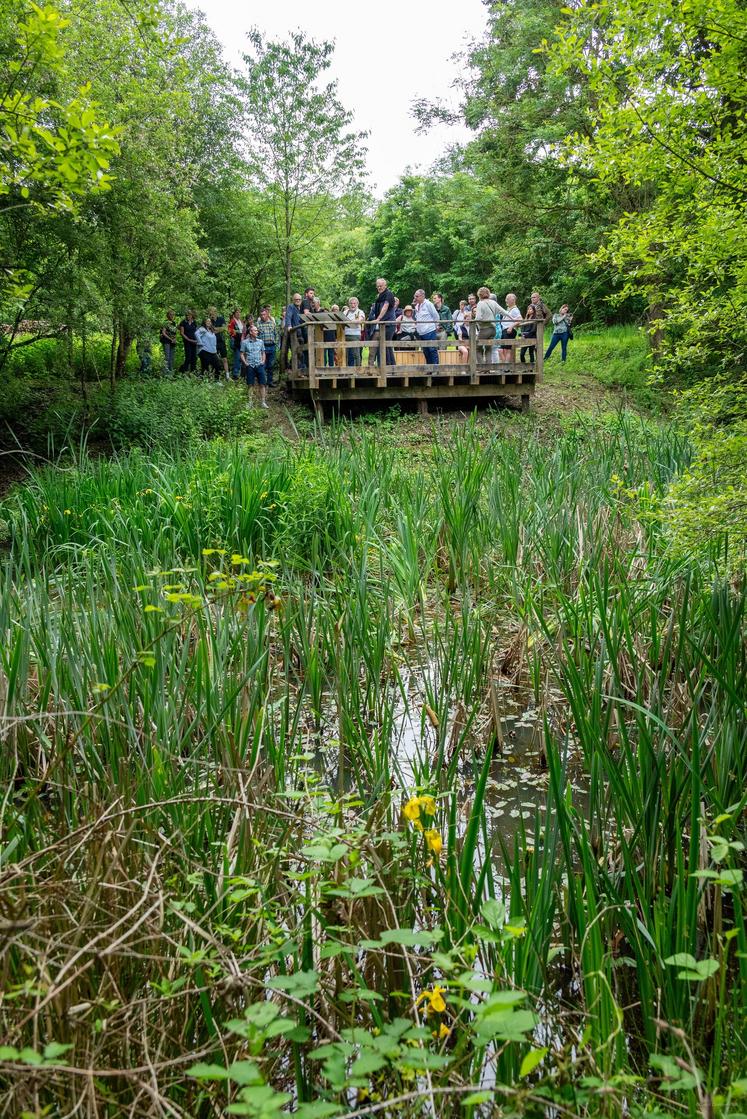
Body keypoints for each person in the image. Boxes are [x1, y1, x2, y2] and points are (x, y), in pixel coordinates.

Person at [240, 324, 268, 408]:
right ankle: (250, 402)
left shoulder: (260, 342)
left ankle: (263, 402)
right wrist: (245, 363)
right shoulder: (245, 342)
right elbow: (241, 353)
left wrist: (263, 361)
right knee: (250, 384)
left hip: (259, 364)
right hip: (250, 365)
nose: (257, 332)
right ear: (251, 332)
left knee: (262, 384)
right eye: (255, 330)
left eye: (257, 330)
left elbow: (263, 352)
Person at [372, 277, 396, 366]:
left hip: (389, 323)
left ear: (385, 285)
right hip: (382, 324)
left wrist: (378, 319)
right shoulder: (379, 296)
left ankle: (389, 366)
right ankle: (390, 366)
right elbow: (376, 309)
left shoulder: (388, 294)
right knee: (385, 345)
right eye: (378, 286)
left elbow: (385, 307)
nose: (379, 288)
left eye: (381, 286)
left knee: (386, 344)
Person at [413, 289, 440, 365]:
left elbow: (436, 316)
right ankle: (429, 368)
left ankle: (435, 369)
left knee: (432, 350)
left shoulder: (428, 304)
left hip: (429, 330)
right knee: (425, 351)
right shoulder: (417, 305)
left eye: (417, 296)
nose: (415, 297)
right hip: (421, 332)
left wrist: (436, 326)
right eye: (414, 296)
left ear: (422, 296)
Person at [474, 287, 501, 359]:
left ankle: (482, 367)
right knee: (489, 349)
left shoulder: (481, 303)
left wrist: (476, 323)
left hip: (485, 329)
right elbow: (504, 312)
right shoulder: (494, 304)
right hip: (494, 329)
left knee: (476, 347)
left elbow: (478, 318)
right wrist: (513, 318)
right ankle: (487, 368)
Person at [256, 306, 278, 386]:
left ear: (267, 314)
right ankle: (263, 381)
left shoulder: (272, 323)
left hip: (272, 346)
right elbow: (256, 336)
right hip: (263, 348)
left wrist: (276, 343)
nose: (263, 316)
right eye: (261, 315)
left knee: (271, 365)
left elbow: (276, 334)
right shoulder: (258, 324)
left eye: (264, 314)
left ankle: (270, 381)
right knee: (263, 365)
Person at [285, 293, 306, 370]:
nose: (298, 301)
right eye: (296, 299)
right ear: (293, 300)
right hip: (295, 333)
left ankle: (301, 368)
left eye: (299, 299)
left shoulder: (301, 308)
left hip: (302, 333)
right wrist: (289, 326)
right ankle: (294, 368)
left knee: (302, 352)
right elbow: (288, 317)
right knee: (297, 352)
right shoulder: (291, 307)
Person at [499, 293, 522, 361]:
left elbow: (520, 319)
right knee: (500, 350)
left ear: (513, 300)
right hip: (504, 330)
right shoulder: (509, 309)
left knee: (507, 350)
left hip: (509, 331)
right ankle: (506, 366)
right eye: (506, 299)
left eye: (507, 299)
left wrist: (511, 326)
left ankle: (507, 368)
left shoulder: (515, 310)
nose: (506, 300)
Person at [343, 296, 365, 366]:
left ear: (357, 304)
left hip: (355, 335)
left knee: (356, 354)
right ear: (349, 304)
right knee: (345, 354)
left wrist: (350, 321)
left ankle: (358, 370)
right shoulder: (345, 312)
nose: (353, 305)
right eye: (351, 303)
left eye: (354, 303)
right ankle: (346, 371)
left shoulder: (360, 312)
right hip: (345, 335)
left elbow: (360, 320)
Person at [209, 306, 229, 378]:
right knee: (214, 360)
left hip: (221, 341)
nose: (212, 313)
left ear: (216, 312)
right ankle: (213, 376)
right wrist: (217, 329)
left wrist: (216, 329)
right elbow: (211, 330)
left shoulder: (221, 319)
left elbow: (225, 328)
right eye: (211, 312)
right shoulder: (209, 321)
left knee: (224, 359)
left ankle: (227, 376)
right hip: (213, 343)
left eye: (213, 312)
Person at [228, 308, 244, 378]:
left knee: (241, 357)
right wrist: (237, 333)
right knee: (237, 357)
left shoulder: (241, 321)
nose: (238, 314)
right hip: (235, 341)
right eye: (237, 312)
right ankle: (235, 374)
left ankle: (239, 373)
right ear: (234, 314)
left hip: (241, 341)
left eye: (239, 312)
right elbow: (230, 331)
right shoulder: (232, 321)